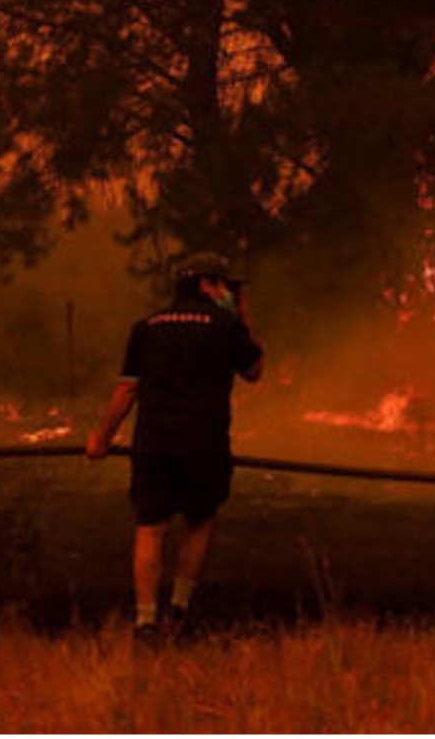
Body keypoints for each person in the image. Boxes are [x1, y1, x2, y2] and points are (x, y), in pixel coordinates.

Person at [86, 252, 264, 640]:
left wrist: (102, 437)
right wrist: (243, 315)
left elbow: (127, 388)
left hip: (153, 443)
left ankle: (146, 622)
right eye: (223, 285)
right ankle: (179, 611)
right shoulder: (225, 325)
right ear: (206, 285)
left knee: (150, 528)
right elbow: (254, 370)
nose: (226, 292)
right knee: (200, 520)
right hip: (205, 442)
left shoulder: (146, 327)